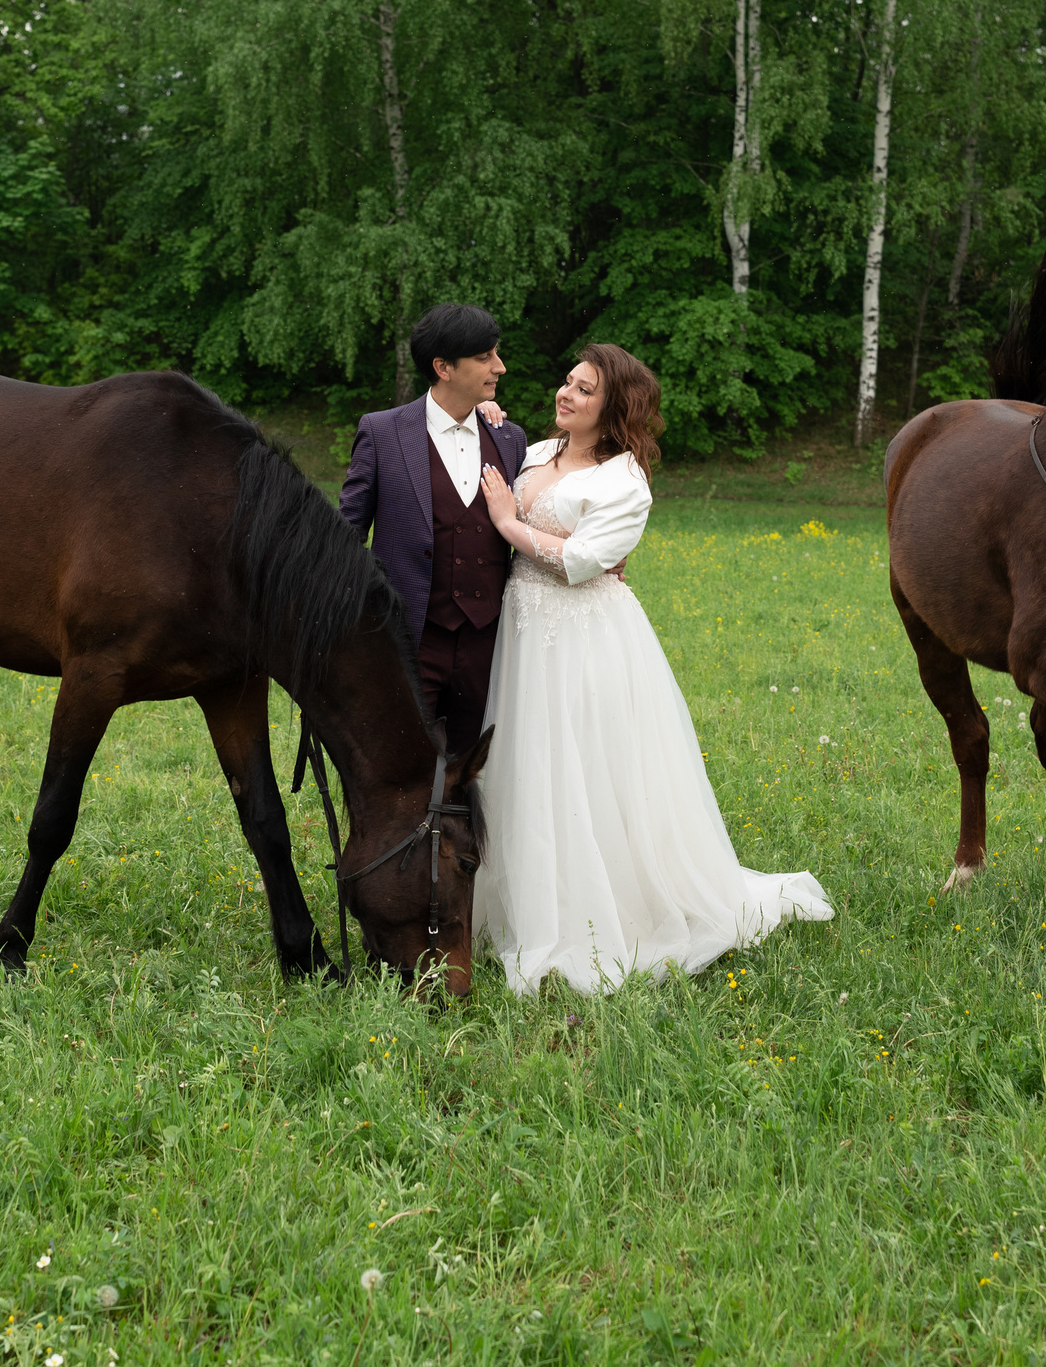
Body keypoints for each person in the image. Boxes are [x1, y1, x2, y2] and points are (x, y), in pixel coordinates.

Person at [471, 344, 831, 994]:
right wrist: (485, 412)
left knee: (589, 771)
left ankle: (603, 908)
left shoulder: (624, 480)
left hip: (585, 636)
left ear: (612, 409)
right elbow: (486, 457)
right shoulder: (534, 453)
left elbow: (583, 560)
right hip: (524, 630)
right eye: (567, 381)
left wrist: (506, 520)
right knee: (528, 763)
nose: (566, 394)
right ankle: (524, 896)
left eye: (583, 390)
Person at [337, 303, 531, 757]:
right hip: (408, 639)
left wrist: (593, 553)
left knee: (474, 768)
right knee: (402, 762)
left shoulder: (510, 438)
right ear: (443, 367)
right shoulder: (382, 432)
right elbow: (346, 535)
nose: (499, 367)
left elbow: (538, 516)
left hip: (490, 641)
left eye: (496, 354)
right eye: (485, 357)